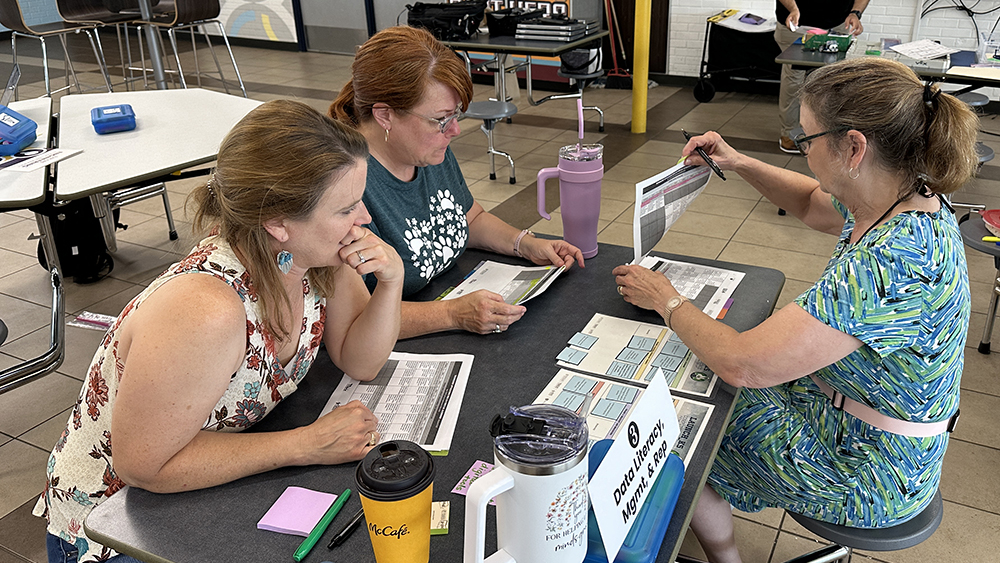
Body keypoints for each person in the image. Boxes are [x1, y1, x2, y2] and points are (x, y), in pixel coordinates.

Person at [614, 57, 976, 562]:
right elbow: (810, 203)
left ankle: (726, 559)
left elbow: (743, 363)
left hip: (868, 470)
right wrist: (737, 161)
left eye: (807, 140)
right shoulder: (901, 195)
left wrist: (666, 299)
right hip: (861, 421)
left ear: (853, 147)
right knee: (703, 374)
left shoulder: (893, 264)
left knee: (677, 423)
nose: (802, 152)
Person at [33, 100, 405, 563]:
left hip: (193, 491)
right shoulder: (205, 309)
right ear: (277, 222)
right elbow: (144, 466)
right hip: (114, 527)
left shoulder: (314, 259)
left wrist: (392, 281)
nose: (365, 218)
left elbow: (361, 361)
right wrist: (304, 443)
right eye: (346, 208)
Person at [329, 26, 585, 339]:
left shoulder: (427, 151)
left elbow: (468, 218)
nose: (454, 131)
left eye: (456, 116)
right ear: (385, 115)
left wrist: (526, 244)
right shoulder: (343, 186)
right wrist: (453, 313)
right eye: (441, 120)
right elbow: (353, 318)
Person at [775, 0, 869, 153]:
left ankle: (830, 135)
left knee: (833, 81)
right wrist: (793, 8)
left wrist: (855, 13)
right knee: (795, 78)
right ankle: (790, 136)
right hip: (797, 24)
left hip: (838, 25)